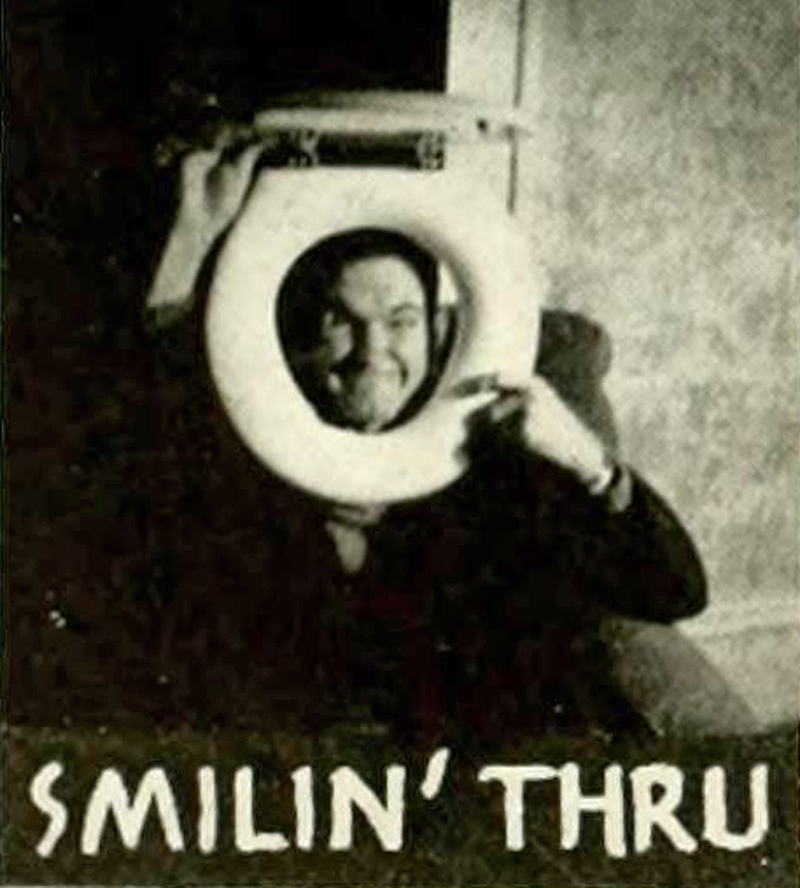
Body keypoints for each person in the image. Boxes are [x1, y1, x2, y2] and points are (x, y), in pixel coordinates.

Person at [136, 130, 748, 747]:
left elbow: (676, 591)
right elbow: (147, 487)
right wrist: (188, 243)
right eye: (341, 321)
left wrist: (589, 460)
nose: (373, 351)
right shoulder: (252, 443)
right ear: (300, 344)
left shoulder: (500, 458)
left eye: (400, 321)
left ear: (437, 335)